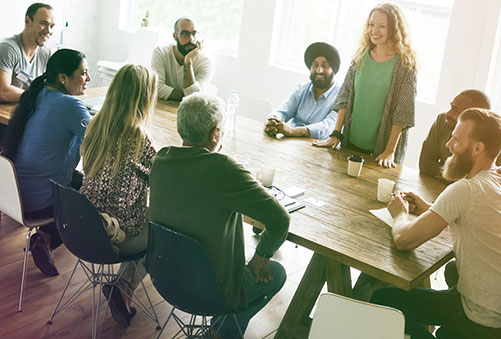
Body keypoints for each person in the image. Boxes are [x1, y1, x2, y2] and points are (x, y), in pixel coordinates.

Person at [149, 93, 290, 338]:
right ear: (215, 134)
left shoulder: (161, 159)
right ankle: (222, 330)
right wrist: (261, 257)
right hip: (211, 291)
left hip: (165, 278)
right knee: (277, 273)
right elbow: (280, 219)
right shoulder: (223, 168)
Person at [371, 108, 501, 338]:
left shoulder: (465, 190)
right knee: (452, 270)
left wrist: (400, 214)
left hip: (481, 320)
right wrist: (432, 209)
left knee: (381, 301)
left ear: (477, 148)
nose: (448, 145)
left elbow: (404, 240)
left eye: (456, 139)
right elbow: (481, 218)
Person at [0, 48, 92, 276]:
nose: (88, 78)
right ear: (63, 77)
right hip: (37, 204)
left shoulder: (36, 95)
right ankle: (46, 237)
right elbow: (95, 143)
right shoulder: (72, 106)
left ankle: (46, 236)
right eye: (83, 72)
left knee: (77, 180)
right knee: (92, 195)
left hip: (12, 194)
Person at [79, 64, 157, 327]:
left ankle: (121, 285)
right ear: (144, 98)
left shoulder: (95, 126)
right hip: (115, 236)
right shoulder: (138, 138)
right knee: (165, 227)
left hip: (84, 225)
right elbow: (161, 181)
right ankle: (124, 284)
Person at [313, 3, 417, 168]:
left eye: (382, 26)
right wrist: (336, 135)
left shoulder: (405, 65)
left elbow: (402, 113)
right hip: (350, 142)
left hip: (381, 152)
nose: (374, 30)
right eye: (371, 25)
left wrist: (390, 151)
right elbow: (345, 97)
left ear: (394, 29)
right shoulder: (360, 56)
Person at [420, 89, 501, 178]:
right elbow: (425, 163)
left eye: (455, 110)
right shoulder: (443, 121)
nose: (448, 114)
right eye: (451, 107)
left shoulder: (499, 151)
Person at [264, 42, 340, 140]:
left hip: (318, 149)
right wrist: (273, 120)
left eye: (325, 66)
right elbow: (283, 111)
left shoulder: (341, 98)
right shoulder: (301, 89)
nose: (319, 70)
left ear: (333, 69)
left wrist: (292, 131)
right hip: (290, 143)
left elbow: (328, 128)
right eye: (315, 65)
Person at [0, 3, 54, 103]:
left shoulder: (47, 53)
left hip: (26, 108)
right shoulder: (7, 48)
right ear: (27, 21)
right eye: (43, 24)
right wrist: (38, 97)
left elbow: (53, 88)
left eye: (52, 26)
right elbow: (3, 91)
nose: (48, 31)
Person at [151, 17, 215, 101]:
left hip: (191, 112)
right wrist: (187, 96)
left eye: (194, 33)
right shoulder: (161, 52)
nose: (191, 39)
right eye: (185, 34)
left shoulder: (206, 62)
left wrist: (188, 62)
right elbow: (157, 88)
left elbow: (196, 100)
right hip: (164, 108)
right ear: (175, 36)